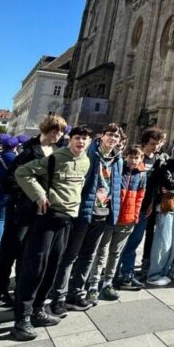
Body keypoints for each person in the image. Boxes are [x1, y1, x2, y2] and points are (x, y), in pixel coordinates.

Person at [10, 126, 92, 341]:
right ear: (70, 139)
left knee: (53, 266)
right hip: (47, 218)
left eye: (84, 139)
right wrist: (39, 196)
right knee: (35, 267)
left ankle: (38, 309)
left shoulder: (85, 161)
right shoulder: (56, 158)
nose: (80, 142)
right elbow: (22, 172)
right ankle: (22, 319)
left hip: (67, 220)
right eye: (77, 138)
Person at [0, 117, 65, 311]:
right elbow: (10, 181)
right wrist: (32, 195)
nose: (57, 135)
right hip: (22, 208)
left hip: (43, 211)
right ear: (46, 129)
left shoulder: (57, 151)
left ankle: (20, 289)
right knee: (10, 249)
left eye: (60, 132)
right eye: (54, 131)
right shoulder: (28, 151)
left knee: (27, 252)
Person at [53, 124, 124, 310]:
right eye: (110, 134)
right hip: (84, 211)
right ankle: (59, 296)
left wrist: (113, 213)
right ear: (101, 136)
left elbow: (115, 188)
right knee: (70, 255)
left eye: (116, 136)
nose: (113, 138)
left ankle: (76, 293)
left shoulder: (118, 159)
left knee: (89, 255)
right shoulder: (89, 155)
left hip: (103, 213)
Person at [92, 144, 148, 299]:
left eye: (136, 157)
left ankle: (107, 283)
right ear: (125, 157)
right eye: (131, 156)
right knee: (101, 252)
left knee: (115, 253)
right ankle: (93, 284)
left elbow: (140, 199)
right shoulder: (118, 170)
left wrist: (135, 217)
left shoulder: (142, 175)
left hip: (127, 220)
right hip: (111, 217)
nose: (133, 160)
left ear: (140, 159)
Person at [115, 127, 166, 289]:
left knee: (134, 243)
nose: (155, 147)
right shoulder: (135, 158)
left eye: (158, 144)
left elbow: (154, 186)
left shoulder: (158, 160)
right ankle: (114, 274)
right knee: (121, 243)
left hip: (145, 208)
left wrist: (152, 203)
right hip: (127, 207)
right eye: (152, 144)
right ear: (145, 143)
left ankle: (127, 274)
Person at [145, 141, 174, 286]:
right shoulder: (166, 165)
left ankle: (164, 272)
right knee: (162, 242)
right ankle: (154, 274)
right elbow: (169, 183)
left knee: (173, 242)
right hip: (166, 207)